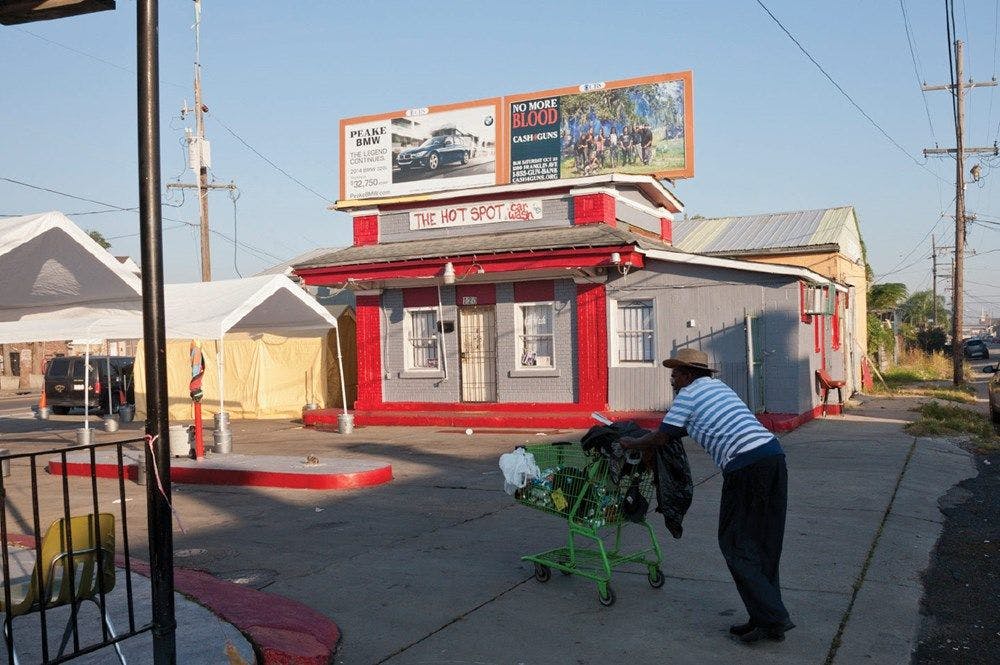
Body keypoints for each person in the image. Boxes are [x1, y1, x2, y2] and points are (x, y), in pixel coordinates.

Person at [620, 348, 794, 644]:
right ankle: (765, 620)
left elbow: (663, 436)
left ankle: (773, 617)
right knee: (764, 544)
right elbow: (688, 429)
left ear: (688, 375)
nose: (672, 379)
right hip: (773, 457)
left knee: (735, 543)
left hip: (746, 467)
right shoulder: (717, 388)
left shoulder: (687, 395)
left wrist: (631, 442)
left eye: (675, 373)